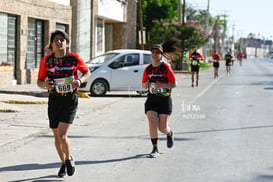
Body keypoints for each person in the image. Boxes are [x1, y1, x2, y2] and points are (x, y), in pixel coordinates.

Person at [37, 30, 91, 177]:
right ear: (51, 44)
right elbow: (39, 81)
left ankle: (69, 159)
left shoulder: (74, 59)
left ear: (67, 43)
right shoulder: (46, 61)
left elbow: (87, 72)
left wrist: (79, 80)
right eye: (56, 40)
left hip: (69, 100)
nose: (59, 42)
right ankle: (63, 163)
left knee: (62, 136)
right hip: (54, 100)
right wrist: (45, 84)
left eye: (62, 40)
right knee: (56, 137)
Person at [142, 41, 177, 158]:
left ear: (161, 55)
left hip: (165, 100)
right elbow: (143, 84)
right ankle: (155, 149)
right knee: (152, 122)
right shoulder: (148, 69)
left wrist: (161, 85)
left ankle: (169, 133)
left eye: (157, 53)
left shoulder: (166, 67)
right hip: (152, 99)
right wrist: (146, 84)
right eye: (153, 52)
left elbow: (173, 84)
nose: (155, 54)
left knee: (162, 128)